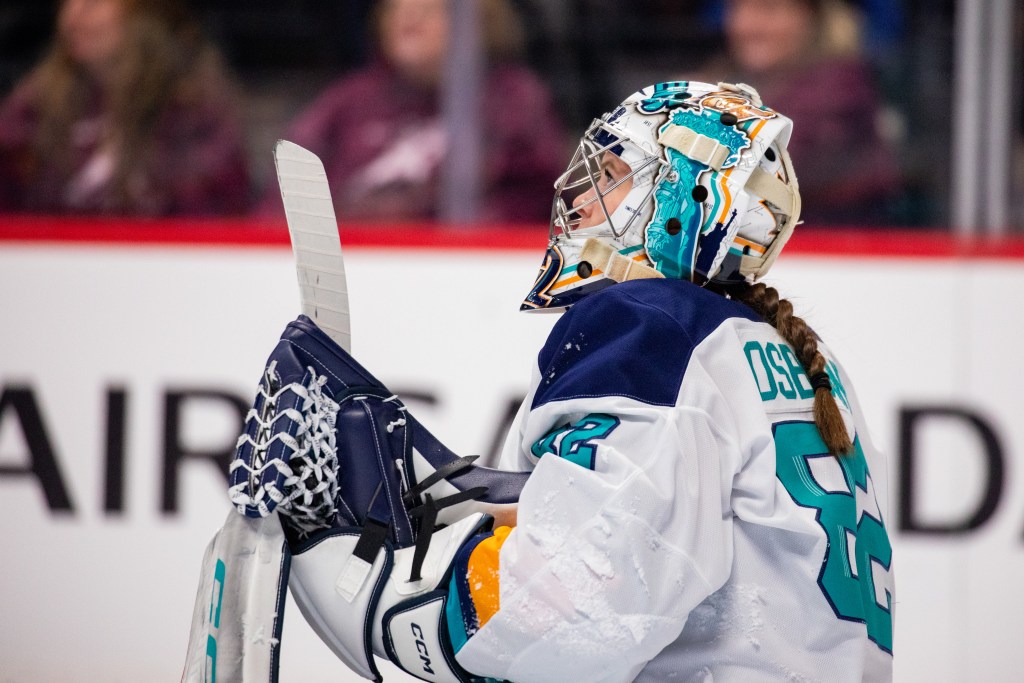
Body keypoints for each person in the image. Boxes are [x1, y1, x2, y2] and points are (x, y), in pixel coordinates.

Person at [203, 80, 893, 683]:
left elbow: (577, 605)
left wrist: (372, 591)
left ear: (682, 201)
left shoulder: (650, 329)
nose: (580, 198)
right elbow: (660, 529)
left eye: (612, 175)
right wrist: (448, 496)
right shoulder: (791, 354)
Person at [258, 0, 566, 223]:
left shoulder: (511, 98)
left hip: (459, 266)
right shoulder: (350, 99)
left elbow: (533, 198)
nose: (410, 14)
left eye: (431, 8)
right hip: (351, 260)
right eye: (398, 6)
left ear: (478, 22)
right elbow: (288, 186)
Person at [0, 0, 250, 216]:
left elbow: (213, 220)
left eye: (93, 2)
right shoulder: (36, 103)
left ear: (146, 12)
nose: (72, 15)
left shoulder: (194, 109)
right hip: (50, 255)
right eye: (67, 2)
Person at [698, 0, 903, 225]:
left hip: (835, 240)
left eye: (768, 10)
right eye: (738, 9)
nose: (746, 26)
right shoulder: (732, 80)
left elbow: (769, 168)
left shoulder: (840, 89)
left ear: (811, 18)